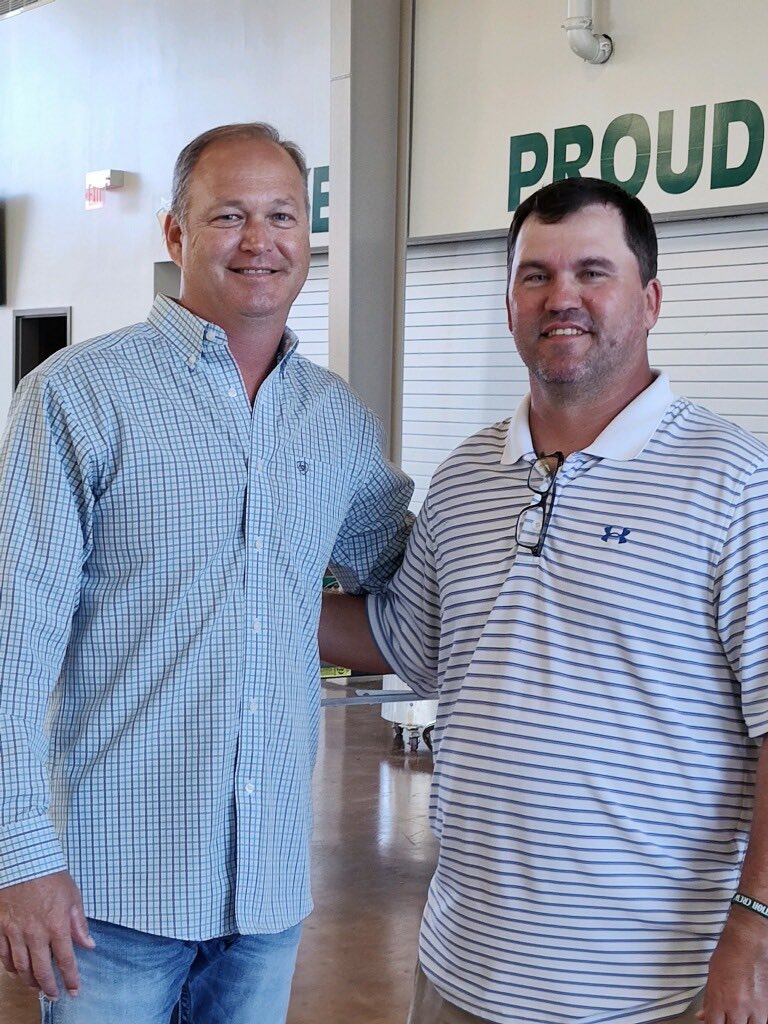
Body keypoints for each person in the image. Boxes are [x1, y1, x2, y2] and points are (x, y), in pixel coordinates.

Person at [320, 176, 768, 1024]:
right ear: (510, 302)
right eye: (536, 275)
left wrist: (758, 930)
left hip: (656, 989)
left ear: (652, 299)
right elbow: (403, 639)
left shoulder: (734, 482)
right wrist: (235, 587)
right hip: (464, 974)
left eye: (593, 272)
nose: (562, 297)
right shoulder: (464, 479)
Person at [0, 122, 412, 1024]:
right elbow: (11, 647)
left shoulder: (332, 419)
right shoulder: (78, 397)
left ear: (309, 236)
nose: (259, 241)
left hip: (265, 899)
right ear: (176, 234)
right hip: (108, 900)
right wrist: (20, 856)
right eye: (228, 215)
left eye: (283, 216)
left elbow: (407, 569)